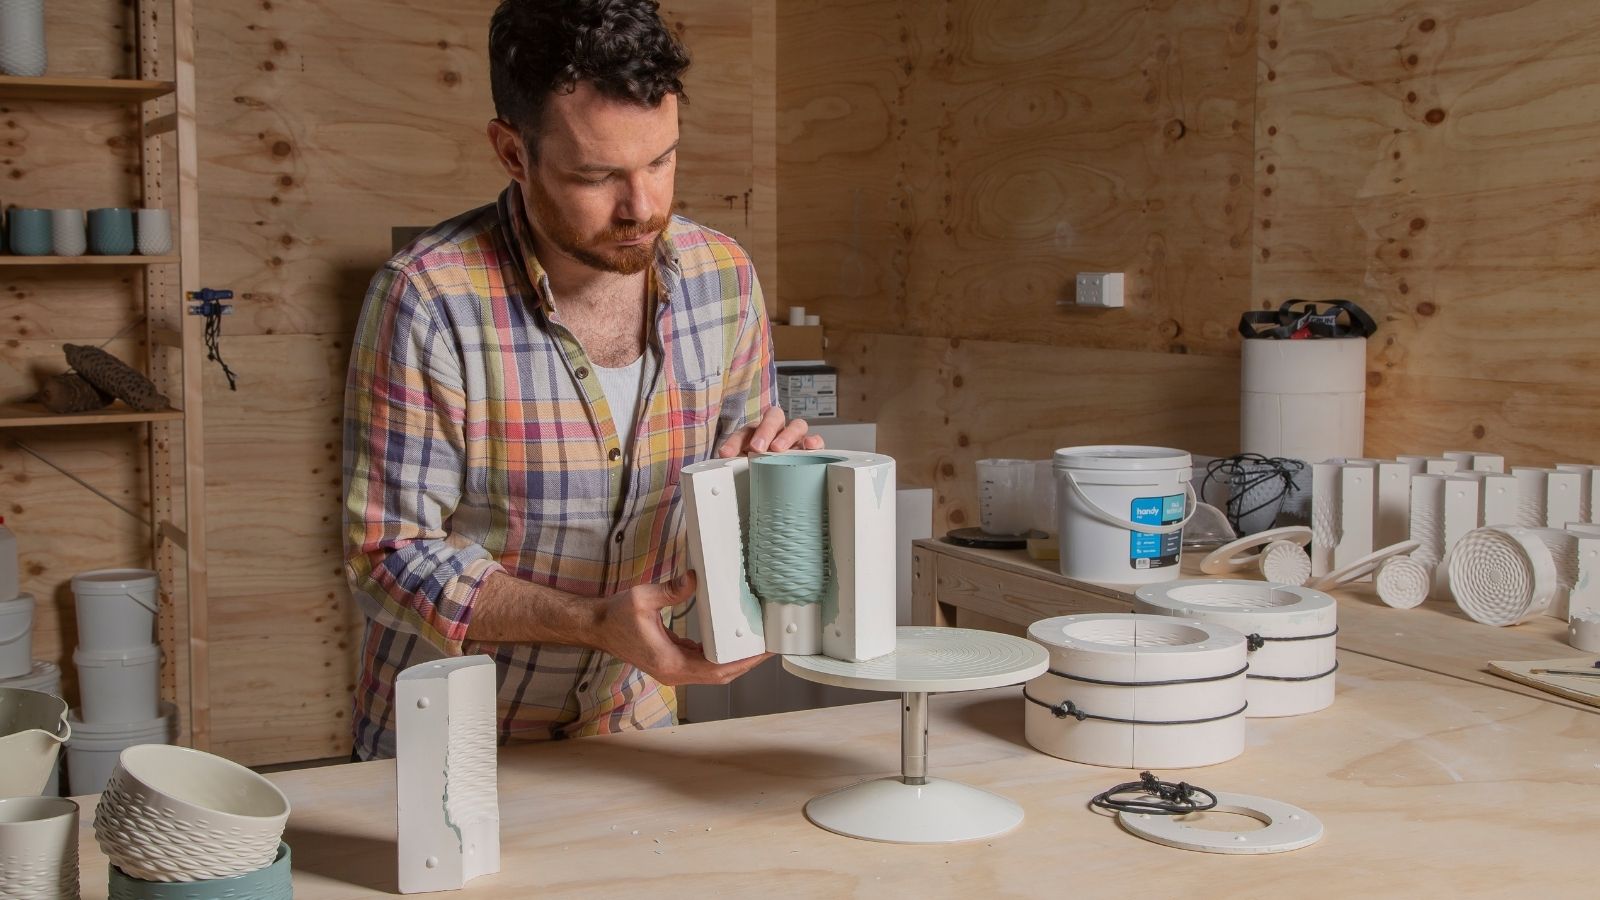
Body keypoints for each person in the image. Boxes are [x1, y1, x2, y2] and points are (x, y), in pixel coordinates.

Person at [342, 0, 821, 761]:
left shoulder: (724, 277)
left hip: (634, 726)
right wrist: (590, 621)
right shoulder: (428, 298)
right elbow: (387, 555)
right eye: (597, 176)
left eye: (661, 160)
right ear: (511, 151)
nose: (644, 207)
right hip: (454, 740)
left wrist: (775, 473)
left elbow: (735, 491)